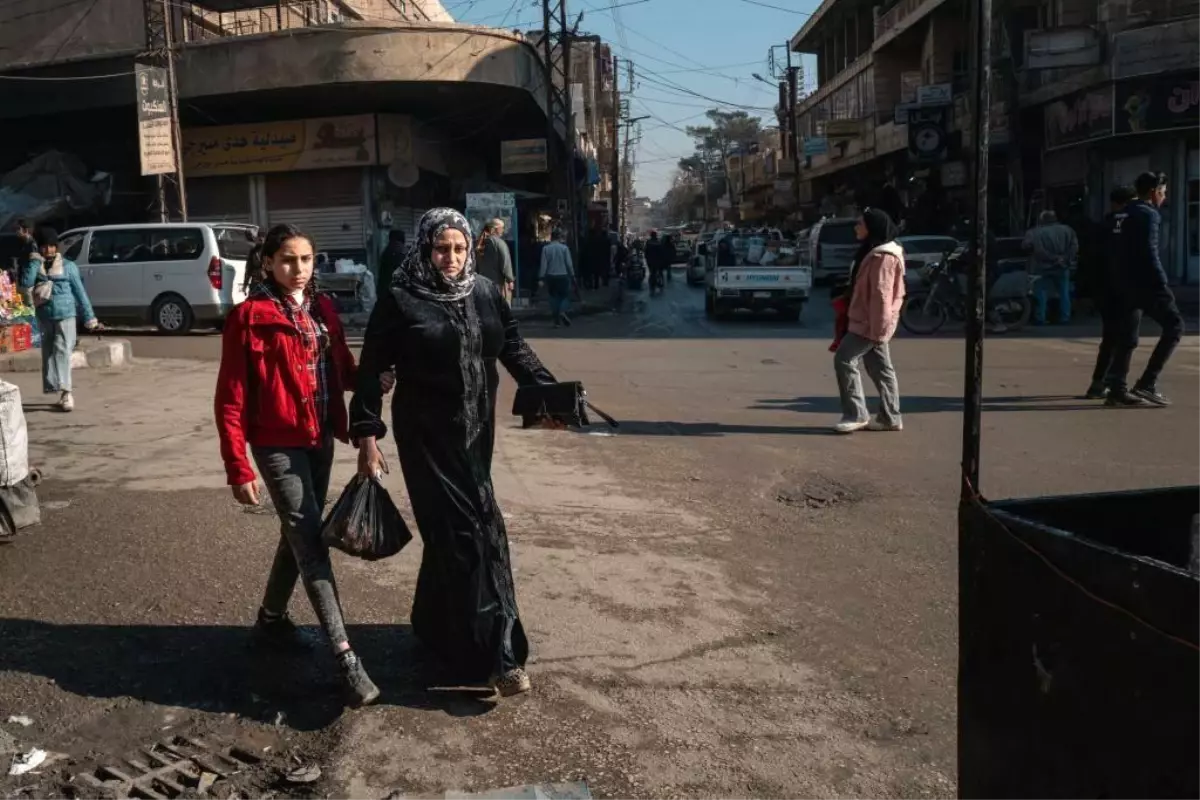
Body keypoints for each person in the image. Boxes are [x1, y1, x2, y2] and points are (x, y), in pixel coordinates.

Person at [351, 208, 557, 698]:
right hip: (425, 436)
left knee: (453, 534)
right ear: (425, 248)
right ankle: (497, 656)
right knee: (475, 533)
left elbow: (514, 348)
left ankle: (433, 626)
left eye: (460, 248)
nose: (451, 258)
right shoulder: (400, 299)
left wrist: (553, 394)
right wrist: (367, 438)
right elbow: (370, 370)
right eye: (442, 249)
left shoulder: (483, 291)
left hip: (476, 434)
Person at [214, 223, 394, 708]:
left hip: (319, 438)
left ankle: (271, 621)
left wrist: (380, 376)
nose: (298, 270)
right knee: (311, 538)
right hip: (276, 446)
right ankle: (344, 655)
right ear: (268, 263)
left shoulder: (323, 310)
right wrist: (238, 467)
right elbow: (230, 399)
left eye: (307, 260)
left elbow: (343, 373)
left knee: (296, 535)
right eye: (288, 260)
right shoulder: (248, 318)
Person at [1104, 172, 1184, 407]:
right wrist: (1161, 281)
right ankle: (1147, 382)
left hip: (1123, 283)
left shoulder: (1121, 214)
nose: (1164, 197)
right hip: (1145, 283)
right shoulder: (1148, 214)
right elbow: (1149, 252)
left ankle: (1116, 387)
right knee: (1175, 326)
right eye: (1164, 192)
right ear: (1153, 191)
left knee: (1127, 337)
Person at [832, 208, 906, 434]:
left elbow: (881, 295)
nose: (856, 227)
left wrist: (878, 329)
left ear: (871, 227)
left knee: (844, 359)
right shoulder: (871, 251)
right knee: (881, 369)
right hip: (870, 321)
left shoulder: (882, 257)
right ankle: (890, 417)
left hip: (870, 323)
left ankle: (856, 414)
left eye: (860, 223)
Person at [19, 227, 99, 413]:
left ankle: (66, 392)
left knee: (62, 350)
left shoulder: (69, 266)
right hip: (45, 315)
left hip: (66, 314)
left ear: (57, 247)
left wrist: (89, 317)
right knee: (48, 352)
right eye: (45, 247)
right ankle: (55, 387)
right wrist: (33, 262)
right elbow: (25, 284)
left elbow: (80, 293)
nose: (49, 250)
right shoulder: (35, 265)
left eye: (52, 246)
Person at [1084, 186, 1137, 399]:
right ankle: (1115, 385)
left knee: (1110, 337)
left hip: (1103, 290)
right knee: (1125, 338)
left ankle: (1099, 382)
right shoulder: (1128, 225)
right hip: (1122, 289)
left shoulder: (1102, 226)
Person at [1023, 210, 1078, 325]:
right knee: (1064, 292)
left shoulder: (1034, 232)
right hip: (1062, 266)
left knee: (1041, 293)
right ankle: (1065, 317)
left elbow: (1031, 248)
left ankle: (1040, 318)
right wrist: (1065, 259)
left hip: (1042, 267)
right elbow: (1074, 247)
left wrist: (1052, 258)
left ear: (1042, 220)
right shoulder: (1068, 230)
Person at [539, 228, 575, 327]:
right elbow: (569, 264)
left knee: (553, 298)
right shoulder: (564, 248)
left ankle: (556, 321)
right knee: (564, 296)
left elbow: (544, 264)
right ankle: (562, 311)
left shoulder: (546, 249)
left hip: (551, 277)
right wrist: (572, 274)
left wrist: (541, 277)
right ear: (559, 237)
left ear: (551, 237)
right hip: (563, 275)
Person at [475, 219, 515, 303]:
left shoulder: (480, 243)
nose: (503, 231)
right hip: (498, 284)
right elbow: (505, 264)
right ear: (496, 229)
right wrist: (510, 280)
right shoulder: (500, 243)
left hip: (482, 284)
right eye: (502, 228)